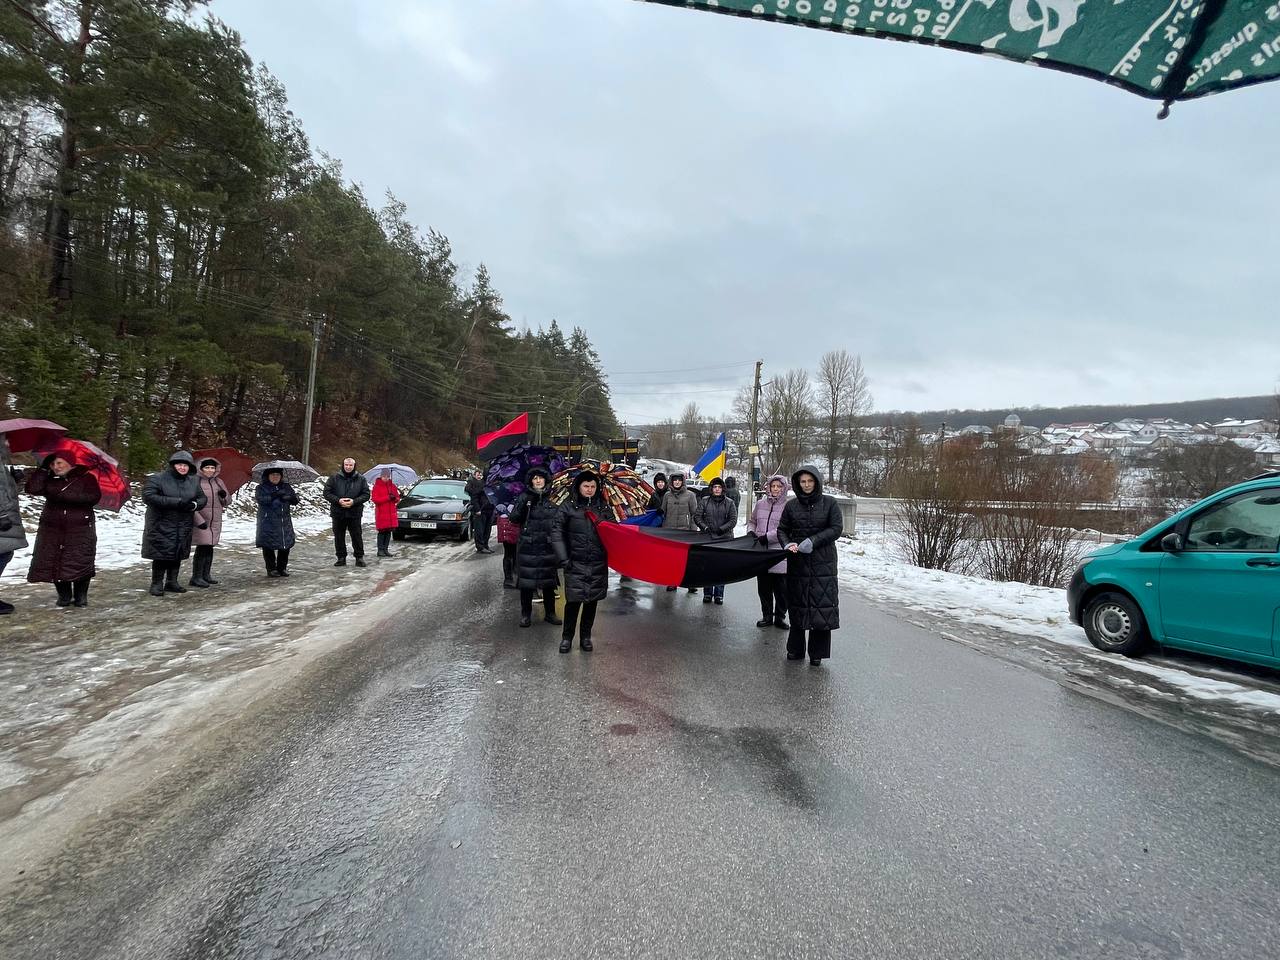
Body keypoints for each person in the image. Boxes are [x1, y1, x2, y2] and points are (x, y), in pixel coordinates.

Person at [778, 465, 843, 665]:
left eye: (810, 481)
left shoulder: (830, 503)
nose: (806, 485)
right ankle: (795, 649)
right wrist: (787, 543)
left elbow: (836, 528)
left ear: (817, 482)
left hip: (823, 562)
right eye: (803, 482)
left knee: (821, 606)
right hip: (798, 562)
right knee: (797, 604)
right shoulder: (791, 506)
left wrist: (813, 541)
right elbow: (782, 529)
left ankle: (817, 653)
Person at [25, 450, 100, 608]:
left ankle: (81, 596)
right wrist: (43, 469)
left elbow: (93, 497)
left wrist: (68, 496)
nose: (56, 467)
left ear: (70, 463)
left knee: (80, 560)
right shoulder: (49, 478)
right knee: (56, 559)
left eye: (59, 463)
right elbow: (32, 489)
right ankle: (64, 596)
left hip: (80, 529)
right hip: (52, 529)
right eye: (52, 464)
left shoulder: (87, 478)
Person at [551, 469, 609, 653]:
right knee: (573, 602)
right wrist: (563, 558)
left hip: (597, 562)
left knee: (592, 602)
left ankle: (585, 637)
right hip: (574, 562)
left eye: (593, 486)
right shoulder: (568, 507)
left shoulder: (603, 507)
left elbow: (613, 532)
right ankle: (567, 638)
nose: (589, 489)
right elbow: (556, 533)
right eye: (586, 486)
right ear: (579, 487)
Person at [142, 450, 206, 597]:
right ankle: (157, 583)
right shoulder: (157, 479)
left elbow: (202, 498)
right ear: (173, 465)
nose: (182, 468)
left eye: (186, 465)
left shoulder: (193, 481)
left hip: (183, 524)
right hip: (161, 524)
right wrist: (176, 502)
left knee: (178, 553)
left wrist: (194, 505)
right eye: (179, 464)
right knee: (161, 554)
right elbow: (149, 497)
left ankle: (172, 582)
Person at [511, 467, 562, 628]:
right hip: (528, 545)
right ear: (530, 481)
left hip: (547, 545)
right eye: (535, 478)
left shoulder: (553, 497)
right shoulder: (524, 497)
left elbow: (560, 520)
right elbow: (514, 518)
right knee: (526, 583)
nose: (538, 480)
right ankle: (526, 614)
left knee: (549, 582)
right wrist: (524, 504)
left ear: (546, 480)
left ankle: (550, 613)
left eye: (540, 477)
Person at [748, 474, 790, 629]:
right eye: (773, 486)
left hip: (779, 552)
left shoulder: (788, 506)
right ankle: (767, 616)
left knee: (782, 590)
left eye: (779, 486)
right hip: (761, 552)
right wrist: (751, 532)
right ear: (769, 487)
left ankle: (780, 617)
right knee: (764, 588)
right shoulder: (760, 504)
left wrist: (767, 537)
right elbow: (752, 521)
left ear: (784, 488)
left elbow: (786, 528)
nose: (776, 489)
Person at [696, 477, 737, 605]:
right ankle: (707, 593)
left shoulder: (729, 503)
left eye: (719, 487)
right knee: (707, 567)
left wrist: (722, 529)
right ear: (711, 489)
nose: (717, 489)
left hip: (724, 538)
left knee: (720, 567)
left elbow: (733, 520)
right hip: (707, 538)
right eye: (715, 487)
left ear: (723, 489)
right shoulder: (705, 501)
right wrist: (705, 527)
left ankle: (719, 594)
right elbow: (697, 517)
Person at [324, 457, 370, 567]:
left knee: (356, 535)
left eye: (350, 465)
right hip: (338, 512)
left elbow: (366, 494)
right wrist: (338, 500)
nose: (348, 467)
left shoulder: (361, 479)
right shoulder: (334, 478)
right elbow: (327, 493)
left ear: (354, 466)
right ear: (343, 465)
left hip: (354, 512)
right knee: (339, 536)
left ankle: (359, 557)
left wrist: (354, 502)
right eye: (346, 465)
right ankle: (341, 558)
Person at [190, 457, 228, 588]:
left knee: (209, 547)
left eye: (212, 467)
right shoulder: (195, 481)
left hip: (214, 521)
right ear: (201, 468)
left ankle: (206, 575)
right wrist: (198, 520)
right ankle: (196, 577)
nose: (210, 470)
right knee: (202, 547)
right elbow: (191, 502)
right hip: (201, 520)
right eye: (207, 467)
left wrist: (223, 496)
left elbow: (227, 501)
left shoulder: (219, 482)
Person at [0, 438, 28, 615]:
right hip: (2, 518)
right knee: (3, 554)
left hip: (5, 517)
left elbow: (4, 491)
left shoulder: (2, 464)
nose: (9, 444)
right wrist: (1, 514)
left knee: (5, 553)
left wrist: (13, 480)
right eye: (5, 440)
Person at [661, 472, 700, 592]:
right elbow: (662, 513)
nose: (677, 482)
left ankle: (690, 584)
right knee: (672, 560)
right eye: (675, 480)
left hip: (685, 532)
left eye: (679, 480)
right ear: (671, 482)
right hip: (670, 532)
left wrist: (693, 530)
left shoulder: (690, 495)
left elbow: (694, 514)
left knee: (686, 560)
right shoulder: (667, 495)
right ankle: (672, 582)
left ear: (682, 481)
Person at [255, 467, 298, 577]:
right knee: (268, 545)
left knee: (285, 544)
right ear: (268, 476)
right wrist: (275, 495)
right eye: (273, 474)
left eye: (278, 475)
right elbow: (262, 500)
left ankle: (282, 568)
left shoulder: (286, 486)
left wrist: (289, 497)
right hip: (267, 521)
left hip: (284, 521)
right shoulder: (261, 488)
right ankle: (271, 569)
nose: (275, 477)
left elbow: (295, 500)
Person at [371, 468, 400, 558]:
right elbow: (375, 499)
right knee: (382, 532)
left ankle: (386, 549)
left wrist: (394, 498)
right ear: (381, 476)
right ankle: (380, 550)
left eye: (387, 476)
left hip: (391, 513)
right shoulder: (376, 487)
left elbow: (397, 498)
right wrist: (387, 497)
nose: (386, 478)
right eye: (384, 476)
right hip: (382, 513)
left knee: (388, 532)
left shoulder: (392, 486)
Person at [465, 468, 494, 553]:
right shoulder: (479, 484)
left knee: (487, 530)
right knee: (479, 530)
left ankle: (485, 545)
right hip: (481, 510)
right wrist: (477, 509)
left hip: (489, 510)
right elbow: (474, 497)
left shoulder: (491, 484)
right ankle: (480, 547)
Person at [496, 511, 520, 587]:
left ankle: (512, 579)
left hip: (510, 523)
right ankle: (510, 579)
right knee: (511, 553)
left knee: (513, 553)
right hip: (509, 524)